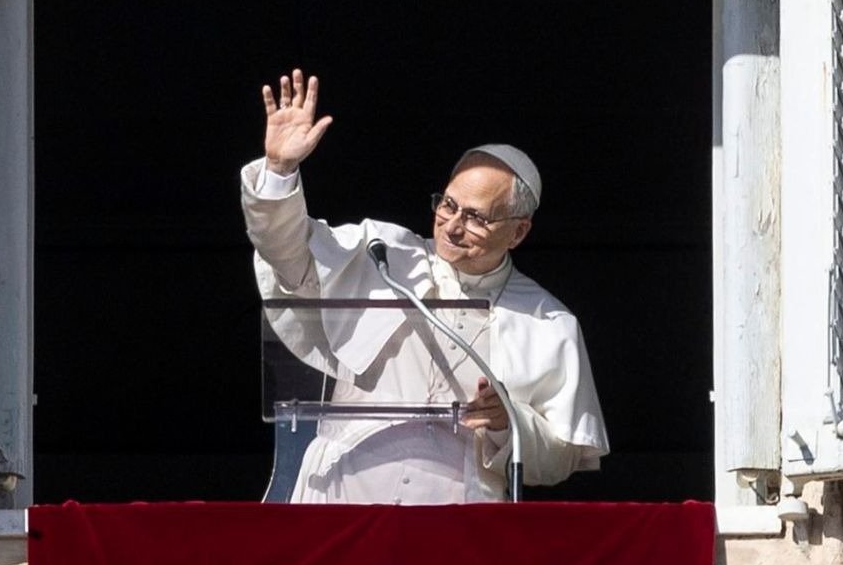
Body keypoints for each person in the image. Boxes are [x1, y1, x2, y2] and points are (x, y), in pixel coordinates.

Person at [242, 69, 608, 503]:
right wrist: (280, 170)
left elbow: (564, 454)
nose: (452, 226)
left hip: (457, 517)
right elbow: (287, 254)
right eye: (448, 205)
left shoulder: (547, 320)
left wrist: (508, 422)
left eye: (476, 217)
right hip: (342, 497)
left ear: (518, 232)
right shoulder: (382, 254)